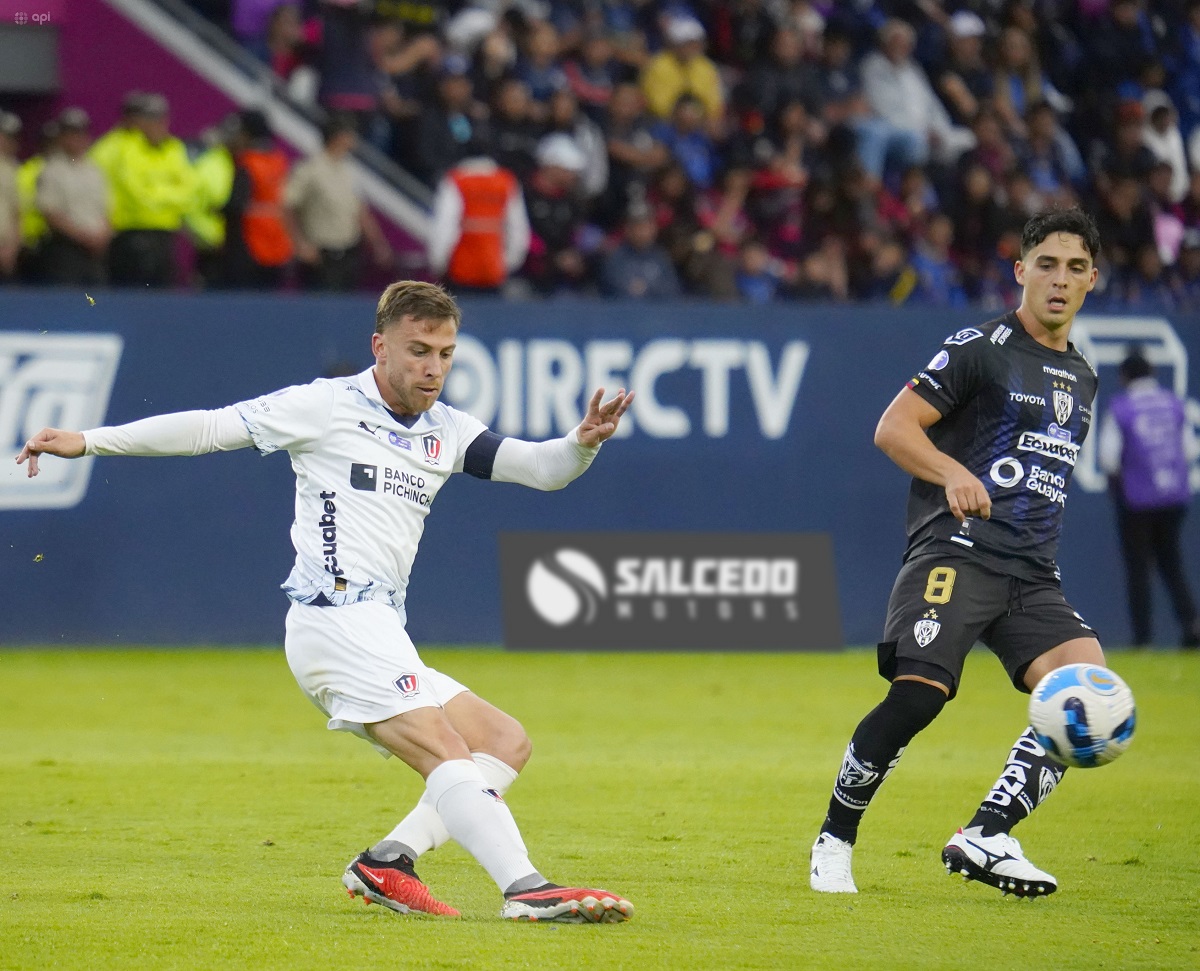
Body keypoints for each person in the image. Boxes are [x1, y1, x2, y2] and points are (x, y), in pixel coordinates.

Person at [16, 280, 635, 924]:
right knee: (444, 748)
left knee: (503, 742)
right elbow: (208, 428)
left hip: (381, 626)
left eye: (446, 354)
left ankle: (388, 862)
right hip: (334, 619)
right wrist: (89, 440)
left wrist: (581, 443)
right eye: (418, 350)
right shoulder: (326, 406)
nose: (433, 368)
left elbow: (540, 469)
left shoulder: (446, 429)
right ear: (380, 345)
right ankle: (526, 888)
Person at [809, 207, 1115, 898]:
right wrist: (952, 472)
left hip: (1033, 573)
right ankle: (835, 836)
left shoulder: (1085, 377)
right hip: (960, 550)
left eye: (1073, 267)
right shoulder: (982, 346)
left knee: (1088, 698)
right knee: (919, 697)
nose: (1058, 280)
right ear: (1020, 271)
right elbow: (894, 428)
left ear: (1093, 279)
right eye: (1045, 264)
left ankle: (988, 832)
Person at [1098, 349, 1200, 647]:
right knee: (1172, 563)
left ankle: (1143, 637)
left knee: (1138, 568)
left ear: (1124, 376)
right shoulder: (1174, 404)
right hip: (1173, 498)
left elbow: (1108, 457)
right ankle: (1191, 627)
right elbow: (1191, 450)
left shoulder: (1122, 407)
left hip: (1137, 499)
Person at [36, 108, 112, 287]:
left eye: (80, 133)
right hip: (66, 249)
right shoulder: (51, 170)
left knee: (96, 301)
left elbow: (105, 210)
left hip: (96, 251)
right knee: (67, 301)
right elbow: (50, 213)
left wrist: (102, 236)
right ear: (60, 138)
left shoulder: (94, 170)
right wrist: (84, 238)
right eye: (70, 134)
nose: (76, 139)